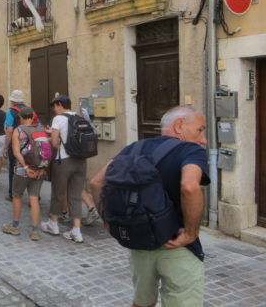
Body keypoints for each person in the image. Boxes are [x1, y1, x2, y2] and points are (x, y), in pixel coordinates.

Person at [90, 105, 209, 307]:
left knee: (143, 302)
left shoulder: (133, 148)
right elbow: (189, 187)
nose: (203, 139)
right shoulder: (191, 150)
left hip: (139, 242)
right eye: (200, 130)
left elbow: (96, 182)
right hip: (177, 246)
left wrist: (108, 220)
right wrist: (190, 233)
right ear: (179, 125)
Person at [40, 95, 86, 243]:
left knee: (58, 193)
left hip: (64, 160)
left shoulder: (58, 119)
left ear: (60, 105)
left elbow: (54, 143)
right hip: (81, 161)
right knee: (76, 195)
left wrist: (51, 137)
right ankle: (76, 231)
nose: (54, 109)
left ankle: (53, 224)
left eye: (55, 105)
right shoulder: (79, 117)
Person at [1, 107, 45, 241]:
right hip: (38, 170)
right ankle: (35, 230)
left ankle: (15, 226)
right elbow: (46, 152)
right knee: (34, 198)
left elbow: (16, 152)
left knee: (17, 196)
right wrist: (42, 168)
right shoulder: (41, 130)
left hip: (22, 170)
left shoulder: (18, 130)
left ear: (20, 118)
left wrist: (25, 167)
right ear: (32, 117)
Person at [3, 90, 27, 201]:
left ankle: (12, 193)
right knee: (28, 166)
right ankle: (35, 195)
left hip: (16, 144)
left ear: (13, 101)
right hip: (28, 144)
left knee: (13, 168)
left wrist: (5, 147)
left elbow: (9, 131)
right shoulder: (29, 110)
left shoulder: (11, 112)